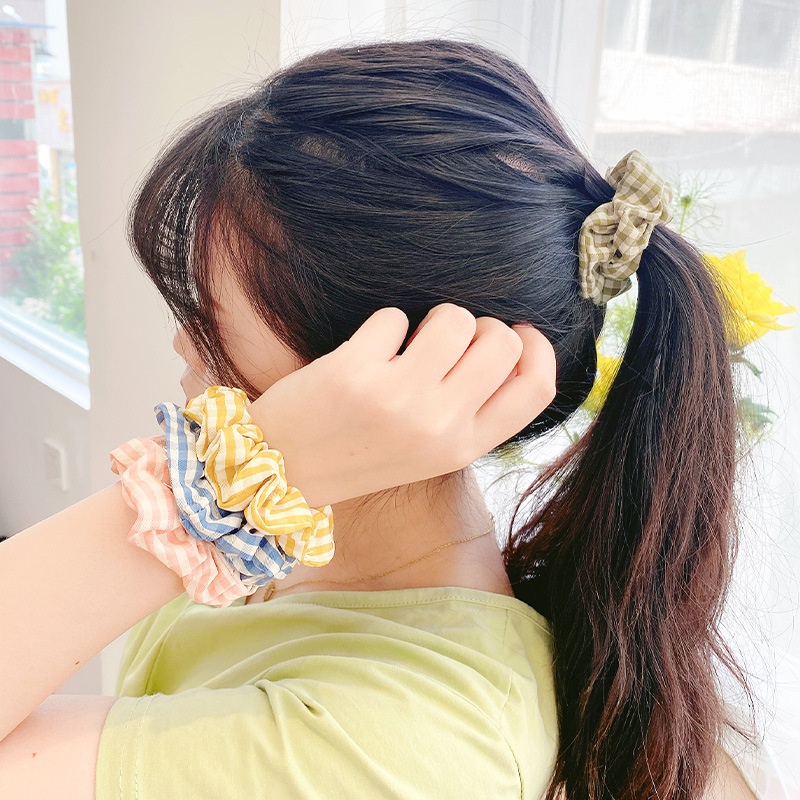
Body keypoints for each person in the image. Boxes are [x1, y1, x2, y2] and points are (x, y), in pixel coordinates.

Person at [0, 40, 758, 800]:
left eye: (209, 314)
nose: (182, 342)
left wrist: (235, 480)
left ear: (401, 370)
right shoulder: (287, 533)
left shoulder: (401, 742)